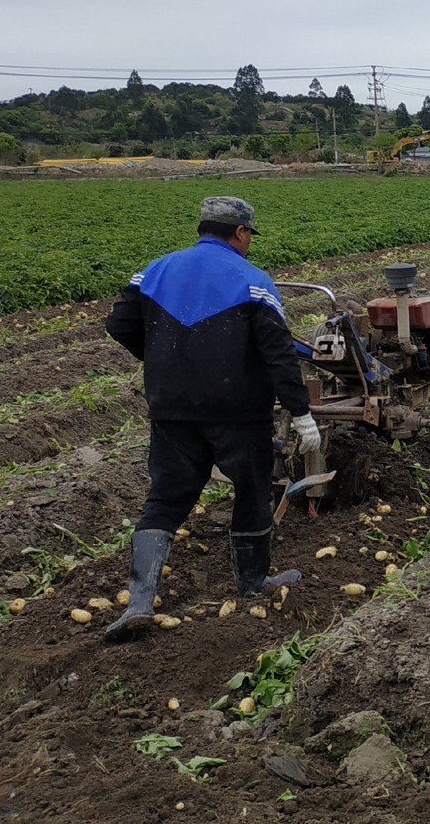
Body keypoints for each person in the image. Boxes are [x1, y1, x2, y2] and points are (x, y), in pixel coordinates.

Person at [101, 197, 318, 643]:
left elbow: (119, 325)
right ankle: (254, 582)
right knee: (253, 488)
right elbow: (278, 353)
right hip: (237, 412)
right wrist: (301, 412)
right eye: (249, 236)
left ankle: (139, 603)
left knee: (165, 497)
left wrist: (167, 358)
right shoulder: (252, 280)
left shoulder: (154, 271)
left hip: (171, 409)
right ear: (240, 233)